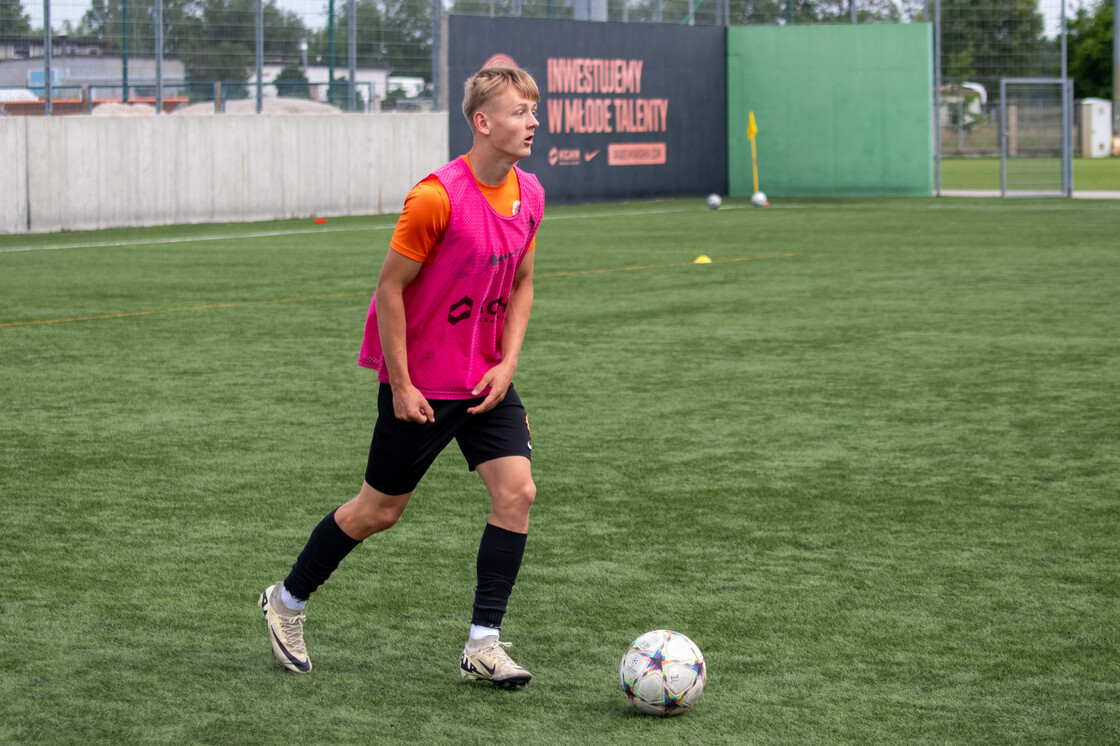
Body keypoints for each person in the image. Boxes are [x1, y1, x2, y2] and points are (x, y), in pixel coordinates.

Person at [259, 66, 544, 688]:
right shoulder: (437, 196)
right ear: (483, 121)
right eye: (520, 111)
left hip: (485, 382)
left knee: (516, 493)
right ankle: (286, 602)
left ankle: (483, 643)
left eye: (533, 110)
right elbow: (390, 290)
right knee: (379, 511)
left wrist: (508, 362)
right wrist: (403, 383)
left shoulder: (531, 194)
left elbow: (522, 282)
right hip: (422, 382)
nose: (532, 122)